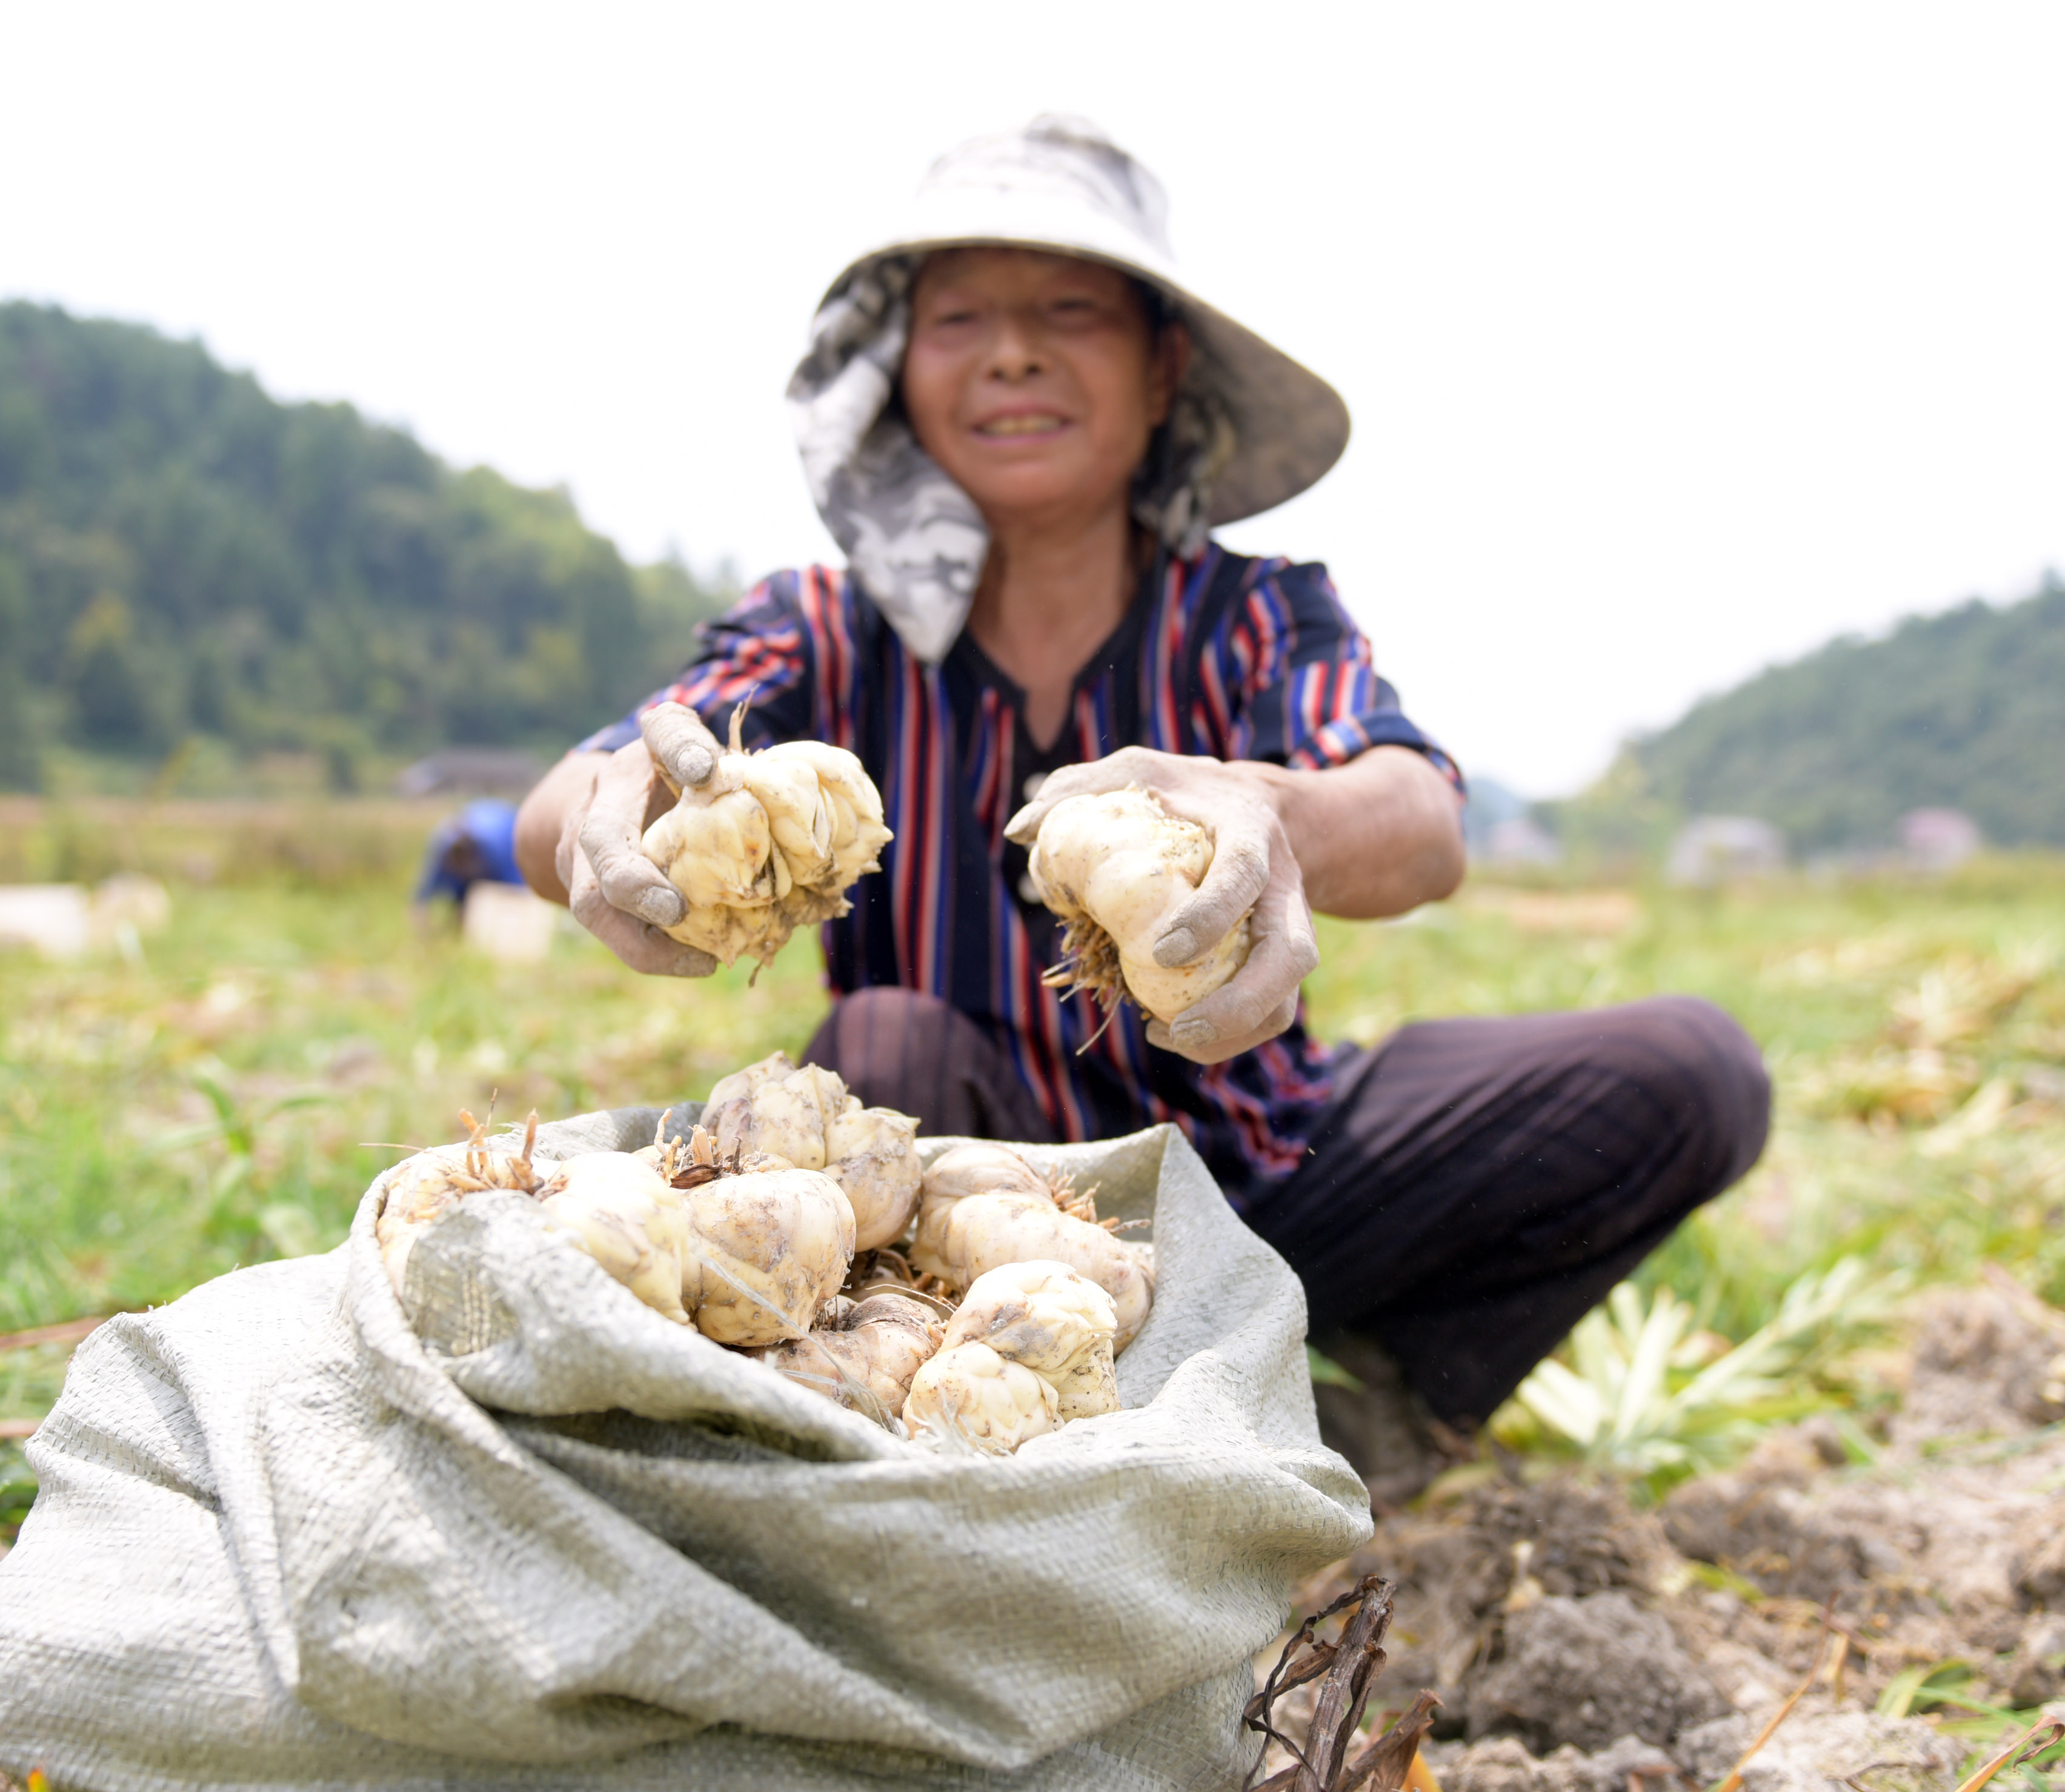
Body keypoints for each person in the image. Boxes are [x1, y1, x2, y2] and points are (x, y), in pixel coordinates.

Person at [517, 117, 1769, 1502]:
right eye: (960, 318)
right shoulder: (819, 628)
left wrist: (1259, 803)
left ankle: (1360, 1403)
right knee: (882, 1036)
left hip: (1262, 1170)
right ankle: (969, 1447)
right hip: (968, 1206)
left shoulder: (1251, 611)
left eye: (1067, 311)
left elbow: (1415, 817)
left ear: (1159, 361)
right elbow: (582, 787)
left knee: (1687, 1070)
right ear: (898, 364)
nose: (1010, 353)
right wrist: (599, 817)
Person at [411, 798, 525, 921]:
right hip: (476, 822)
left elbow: (518, 890)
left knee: (507, 902)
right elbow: (424, 894)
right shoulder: (444, 851)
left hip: (504, 838)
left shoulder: (500, 850)